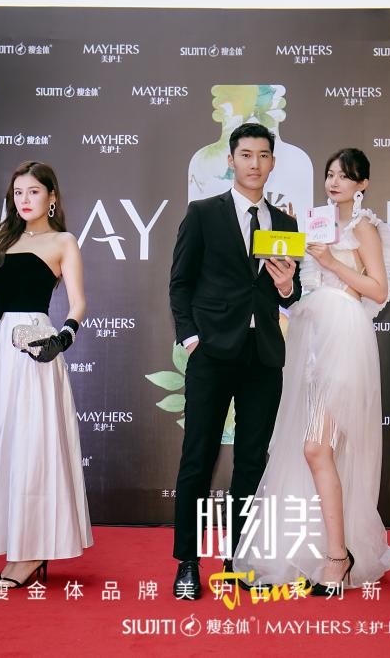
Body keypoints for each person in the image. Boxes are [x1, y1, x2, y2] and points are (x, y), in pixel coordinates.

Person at [235, 148, 390, 593]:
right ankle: (321, 549)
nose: (335, 182)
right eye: (330, 174)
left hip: (344, 335)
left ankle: (338, 555)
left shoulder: (363, 227)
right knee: (312, 448)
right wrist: (286, 279)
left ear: (362, 184)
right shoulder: (313, 223)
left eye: (345, 176)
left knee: (316, 447)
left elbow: (378, 289)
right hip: (309, 333)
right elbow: (300, 287)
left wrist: (331, 262)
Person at [168, 122, 301, 599]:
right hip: (212, 354)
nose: (254, 164)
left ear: (272, 162)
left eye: (263, 155)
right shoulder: (203, 213)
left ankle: (238, 558)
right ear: (231, 160)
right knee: (198, 457)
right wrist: (191, 340)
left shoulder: (285, 224)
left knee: (251, 461)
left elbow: (291, 295)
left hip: (263, 356)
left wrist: (286, 285)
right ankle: (187, 561)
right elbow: (180, 283)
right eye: (246, 155)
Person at [0, 161, 93, 588]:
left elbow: (79, 303)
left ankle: (31, 553)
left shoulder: (63, 241)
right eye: (18, 193)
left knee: (33, 447)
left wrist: (62, 339)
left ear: (52, 196)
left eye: (33, 191)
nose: (25, 200)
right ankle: (16, 545)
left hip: (36, 347)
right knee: (4, 443)